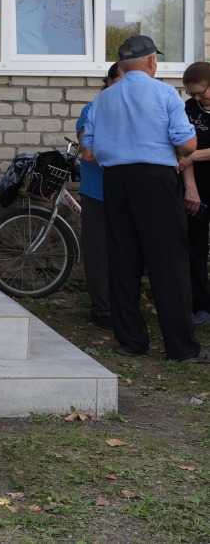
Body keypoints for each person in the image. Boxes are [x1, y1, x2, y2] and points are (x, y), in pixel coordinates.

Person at [81, 35, 208, 364]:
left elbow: (89, 152)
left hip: (116, 182)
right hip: (156, 181)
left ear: (121, 65)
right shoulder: (165, 93)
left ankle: (131, 342)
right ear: (152, 61)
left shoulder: (103, 100)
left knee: (123, 260)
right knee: (168, 261)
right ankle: (182, 348)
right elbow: (188, 147)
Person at [75, 62, 123, 329]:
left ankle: (123, 304)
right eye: (120, 81)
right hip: (97, 191)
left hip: (127, 191)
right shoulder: (92, 109)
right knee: (98, 251)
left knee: (125, 251)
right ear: (108, 82)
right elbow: (87, 150)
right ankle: (102, 308)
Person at [179, 61, 210, 328]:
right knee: (196, 248)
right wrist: (191, 187)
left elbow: (189, 155)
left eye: (202, 92)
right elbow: (181, 149)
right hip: (198, 191)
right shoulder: (188, 110)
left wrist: (193, 157)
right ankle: (202, 305)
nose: (198, 98)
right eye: (193, 94)